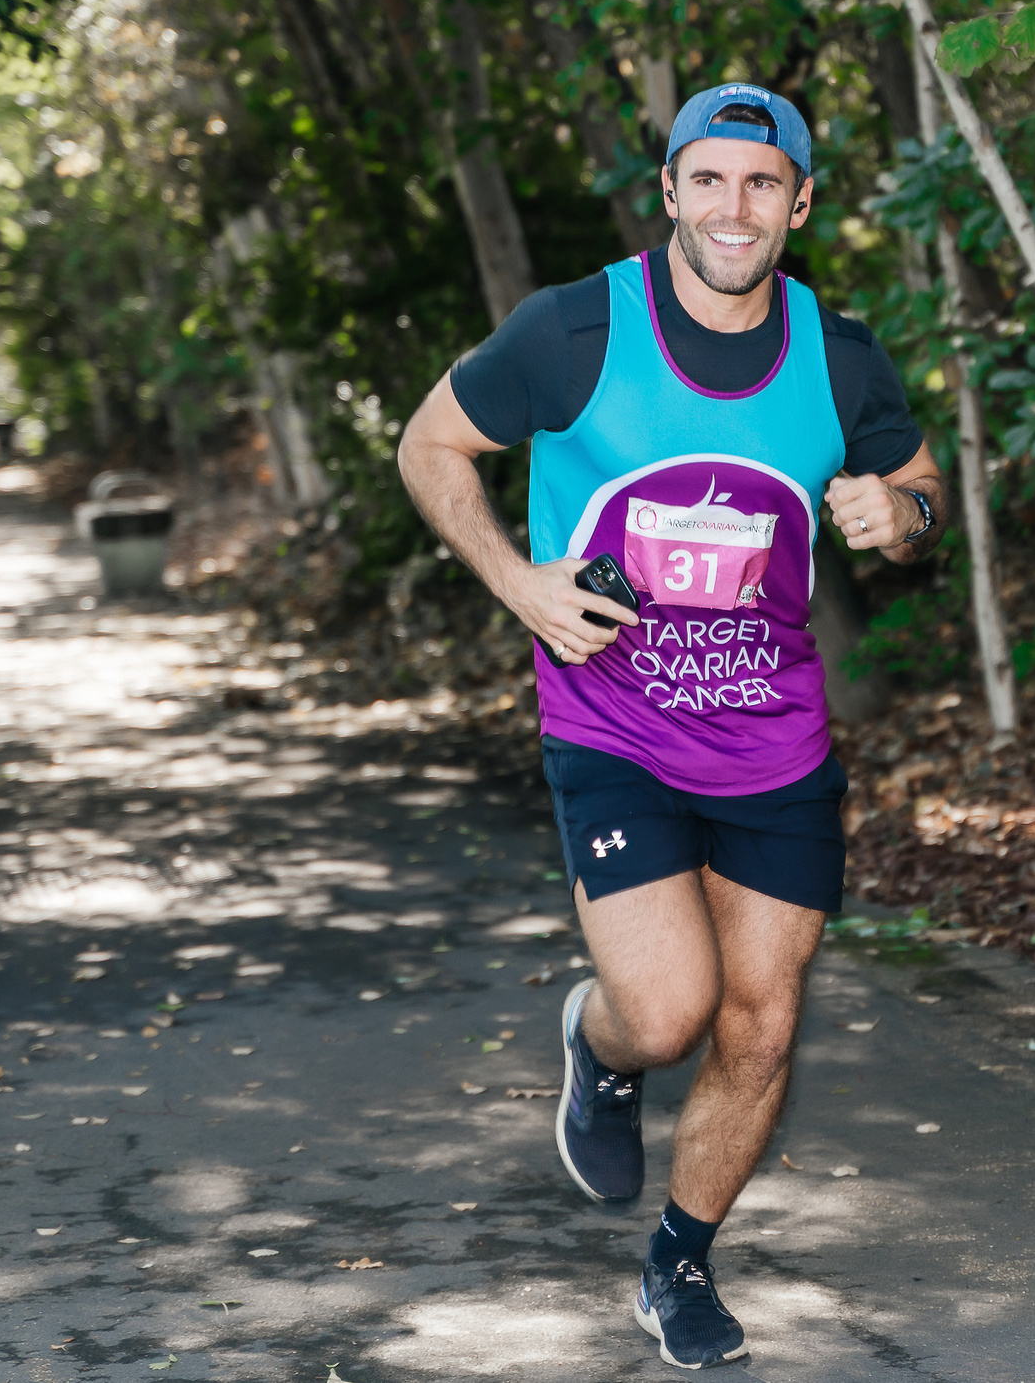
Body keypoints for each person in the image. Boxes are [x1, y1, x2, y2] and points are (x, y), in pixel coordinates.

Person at [398, 83, 948, 1369]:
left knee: (760, 1020)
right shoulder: (575, 328)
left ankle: (679, 1261)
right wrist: (519, 583)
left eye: (762, 184)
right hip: (615, 727)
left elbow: (918, 487)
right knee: (669, 1014)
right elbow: (431, 445)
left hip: (777, 740)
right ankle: (604, 1046)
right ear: (670, 192)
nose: (733, 207)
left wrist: (900, 518)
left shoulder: (838, 351)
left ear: (800, 204)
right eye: (708, 179)